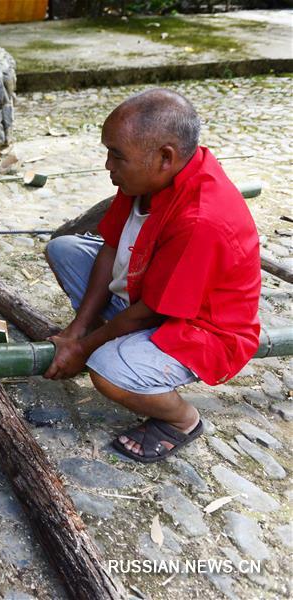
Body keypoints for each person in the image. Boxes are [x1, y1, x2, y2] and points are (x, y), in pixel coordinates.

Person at [43, 89, 261, 463]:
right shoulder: (144, 178)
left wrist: (85, 350)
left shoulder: (202, 218)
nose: (108, 165)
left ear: (164, 157)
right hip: (149, 291)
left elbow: (150, 312)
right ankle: (114, 338)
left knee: (107, 372)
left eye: (117, 156)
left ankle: (181, 421)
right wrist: (78, 330)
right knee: (63, 249)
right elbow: (110, 247)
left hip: (199, 328)